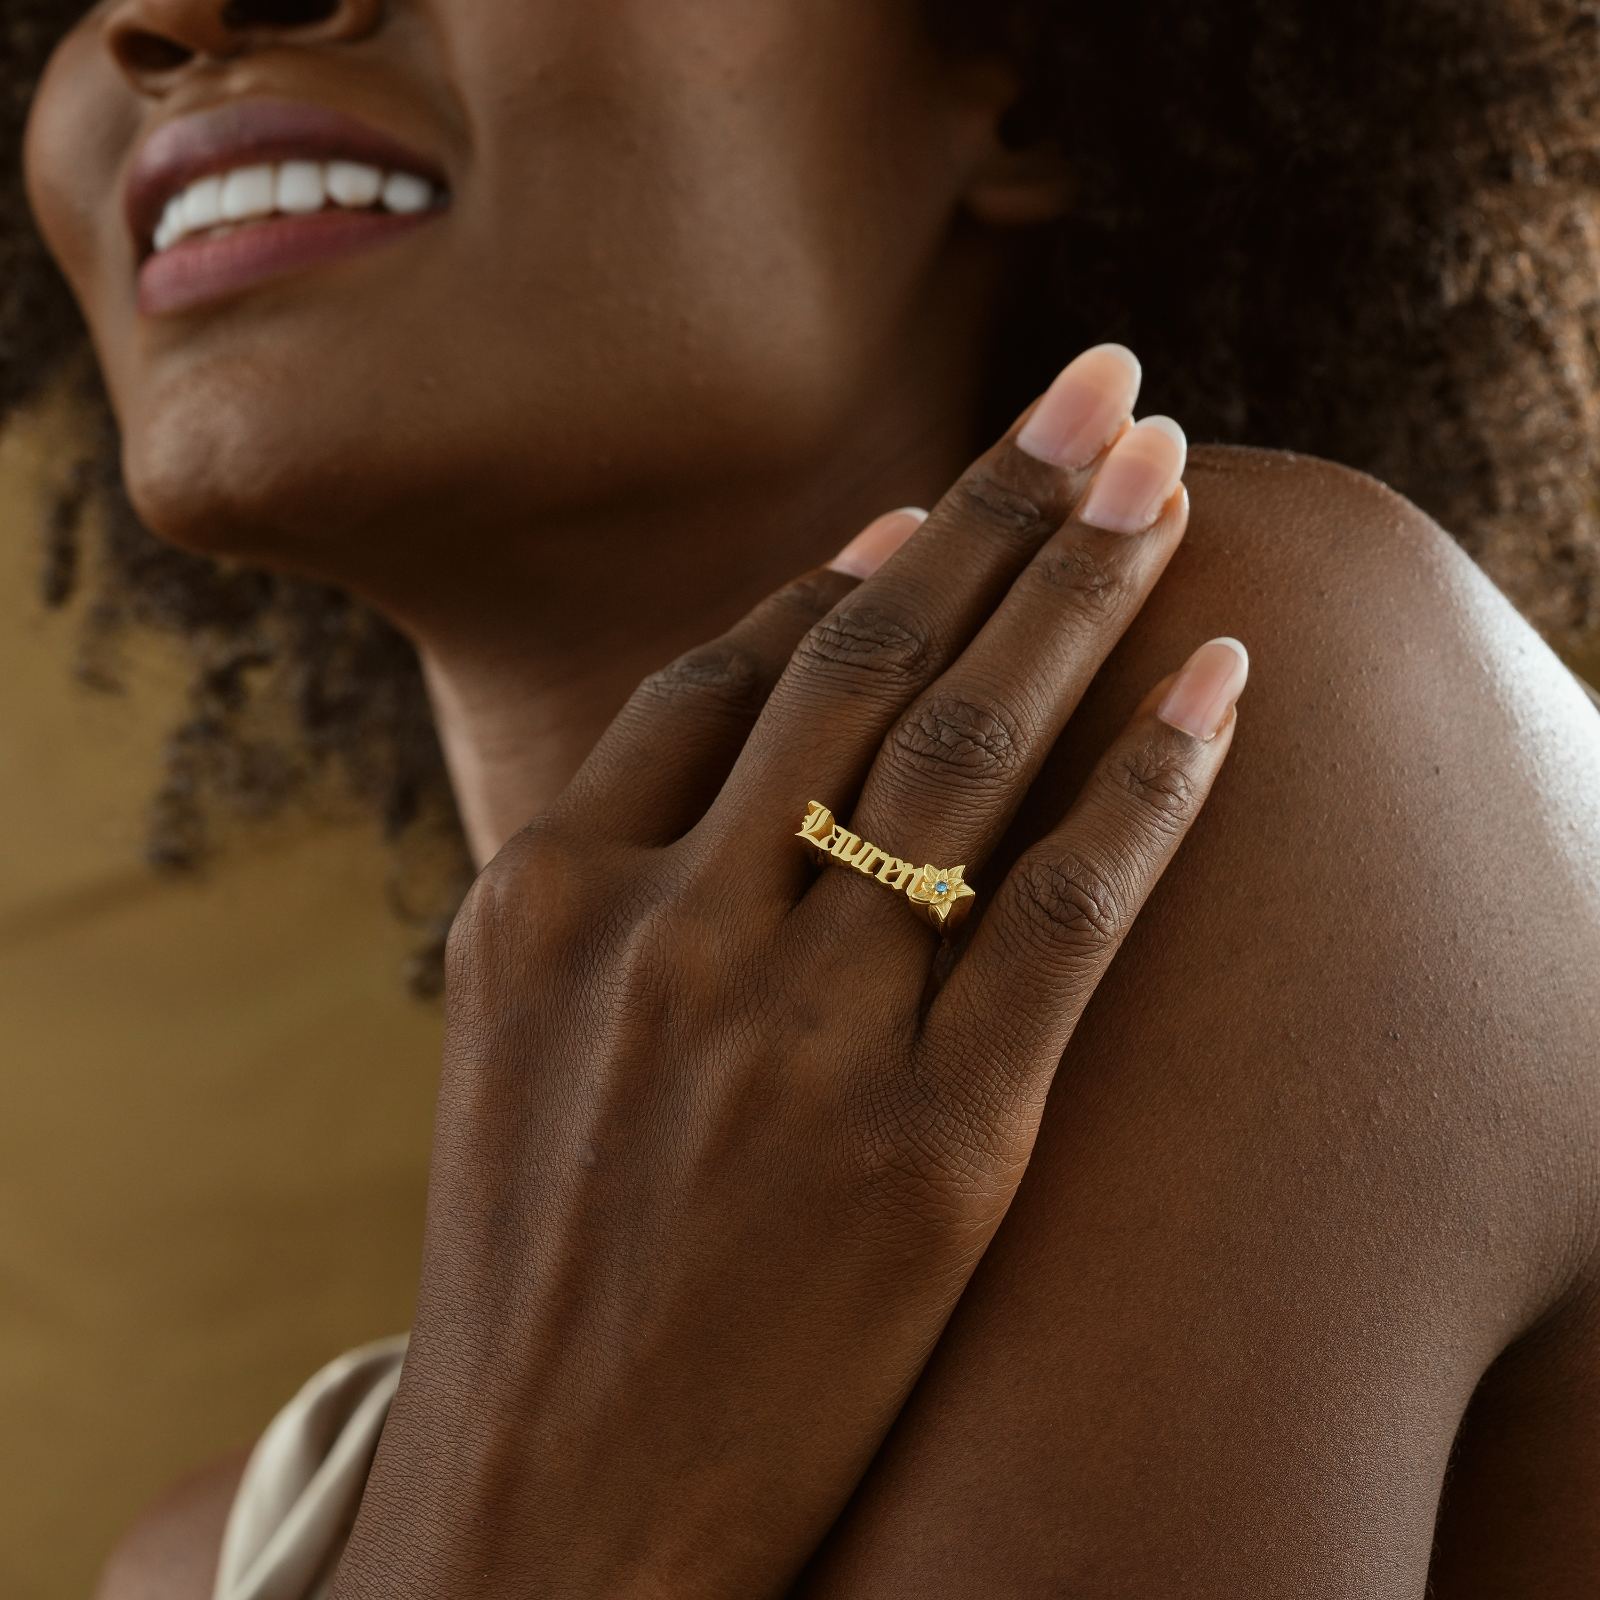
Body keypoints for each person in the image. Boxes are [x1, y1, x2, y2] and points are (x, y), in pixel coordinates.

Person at [9, 0, 1600, 1595]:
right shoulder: (200, 1555)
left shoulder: (1229, 699)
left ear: (1016, 74)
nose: (175, 13)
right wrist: (547, 1488)